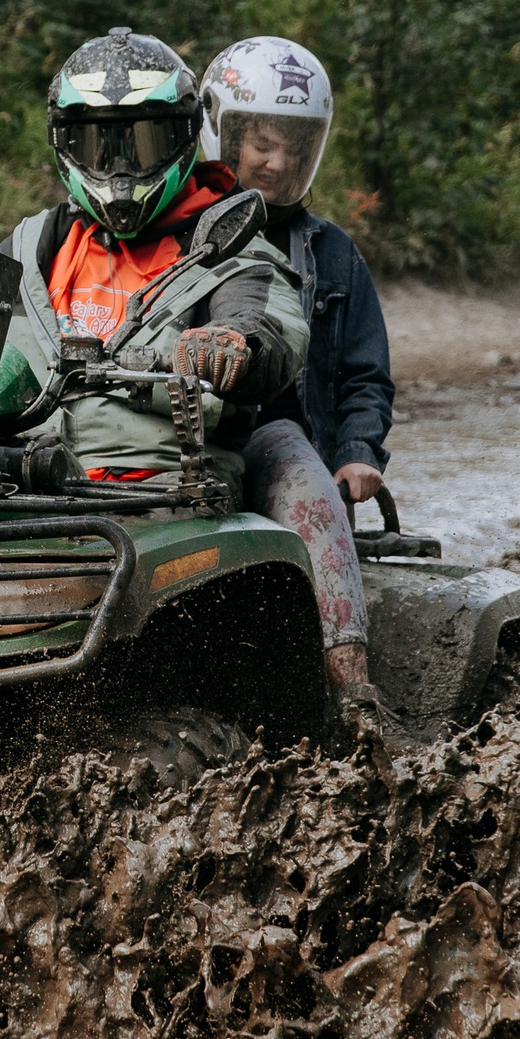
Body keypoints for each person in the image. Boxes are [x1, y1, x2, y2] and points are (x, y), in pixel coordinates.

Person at [0, 27, 309, 508]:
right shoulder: (33, 243)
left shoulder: (234, 248)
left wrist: (234, 343)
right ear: (64, 144)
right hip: (19, 486)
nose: (120, 167)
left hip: (170, 493)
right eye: (98, 145)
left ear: (182, 137)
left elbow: (271, 326)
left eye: (144, 142)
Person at [199, 35, 395, 694]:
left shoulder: (334, 253)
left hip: (287, 449)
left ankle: (353, 694)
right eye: (262, 145)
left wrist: (358, 451)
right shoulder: (177, 235)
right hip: (189, 448)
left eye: (295, 148)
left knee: (293, 457)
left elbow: (367, 374)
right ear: (224, 136)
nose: (278, 164)